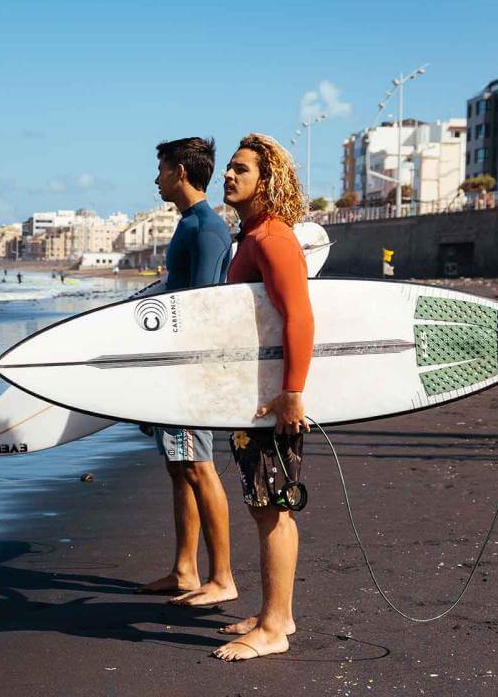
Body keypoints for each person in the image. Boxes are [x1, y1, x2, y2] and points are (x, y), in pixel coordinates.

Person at [212, 133, 314, 662]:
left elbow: (299, 315)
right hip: (253, 398)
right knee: (261, 504)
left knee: (273, 506)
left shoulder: (272, 238)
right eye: (228, 168)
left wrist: (292, 393)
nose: (228, 175)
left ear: (266, 181)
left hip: (273, 401)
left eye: (241, 169)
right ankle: (277, 612)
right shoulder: (250, 237)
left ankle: (275, 627)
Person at [137, 137, 236, 608]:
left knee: (199, 467)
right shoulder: (190, 224)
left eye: (159, 170)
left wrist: (181, 378)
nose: (155, 179)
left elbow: (200, 308)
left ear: (179, 171)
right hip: (173, 370)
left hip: (190, 373)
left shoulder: (207, 228)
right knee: (180, 468)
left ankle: (222, 578)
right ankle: (184, 569)